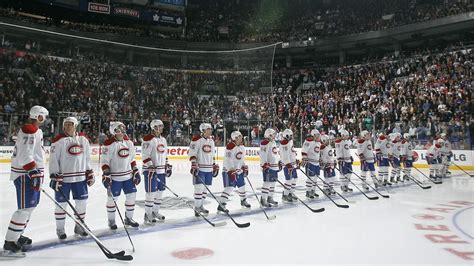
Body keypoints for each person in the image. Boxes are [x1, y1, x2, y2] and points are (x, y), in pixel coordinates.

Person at [3, 106, 48, 253]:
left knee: (30, 207)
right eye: (43, 116)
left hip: (32, 174)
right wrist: (33, 172)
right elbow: (24, 155)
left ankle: (17, 234)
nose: (45, 119)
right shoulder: (29, 130)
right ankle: (10, 241)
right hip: (26, 175)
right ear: (38, 116)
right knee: (24, 208)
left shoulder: (36, 130)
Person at [49, 117, 95, 240]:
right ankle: (60, 229)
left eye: (70, 124)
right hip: (63, 179)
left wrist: (89, 171)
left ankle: (79, 227)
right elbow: (53, 160)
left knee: (81, 204)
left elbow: (87, 158)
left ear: (75, 126)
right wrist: (54, 175)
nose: (68, 126)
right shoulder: (58, 140)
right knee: (61, 205)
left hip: (80, 178)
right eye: (66, 124)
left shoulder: (83, 140)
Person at [100, 122, 140, 229]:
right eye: (118, 130)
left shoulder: (129, 143)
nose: (121, 132)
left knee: (132, 196)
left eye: (123, 129)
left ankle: (129, 218)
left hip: (128, 176)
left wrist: (135, 170)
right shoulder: (108, 144)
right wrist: (106, 173)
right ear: (113, 131)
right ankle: (111, 221)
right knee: (112, 199)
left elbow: (132, 159)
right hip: (115, 177)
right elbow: (104, 162)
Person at [141, 119, 171, 224]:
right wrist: (150, 166)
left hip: (161, 170)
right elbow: (145, 155)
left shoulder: (163, 139)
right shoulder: (148, 139)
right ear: (153, 127)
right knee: (151, 192)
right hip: (150, 171)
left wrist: (167, 165)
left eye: (162, 126)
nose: (161, 128)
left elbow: (165, 154)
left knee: (160, 192)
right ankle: (148, 214)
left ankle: (155, 212)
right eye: (159, 126)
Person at [189, 123, 218, 217]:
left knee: (206, 188)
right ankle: (197, 207)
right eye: (209, 129)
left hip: (209, 168)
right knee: (199, 188)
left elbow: (212, 154)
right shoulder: (196, 140)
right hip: (200, 168)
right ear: (203, 130)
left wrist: (214, 164)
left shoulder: (211, 140)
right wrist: (193, 164)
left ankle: (201, 206)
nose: (210, 130)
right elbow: (192, 153)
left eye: (211, 129)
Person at [218, 131, 250, 213]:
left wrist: (243, 166)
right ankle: (222, 204)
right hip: (228, 171)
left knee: (242, 186)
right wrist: (231, 171)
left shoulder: (242, 147)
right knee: (229, 188)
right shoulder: (230, 146)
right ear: (235, 138)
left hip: (238, 171)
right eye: (239, 136)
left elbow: (241, 158)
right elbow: (228, 160)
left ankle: (243, 201)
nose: (241, 138)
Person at [259, 128, 280, 207]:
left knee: (273, 183)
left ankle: (270, 197)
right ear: (269, 135)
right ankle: (263, 199)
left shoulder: (273, 142)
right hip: (268, 166)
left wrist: (279, 161)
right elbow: (263, 155)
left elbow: (275, 154)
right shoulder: (265, 143)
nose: (274, 136)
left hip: (274, 166)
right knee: (267, 183)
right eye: (273, 134)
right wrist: (264, 165)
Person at [301, 129, 321, 199]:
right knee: (310, 178)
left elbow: (318, 152)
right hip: (310, 162)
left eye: (318, 135)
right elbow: (304, 150)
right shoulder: (308, 141)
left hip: (316, 163)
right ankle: (308, 191)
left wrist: (320, 159)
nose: (318, 136)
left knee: (315, 178)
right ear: (313, 135)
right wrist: (304, 158)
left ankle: (313, 190)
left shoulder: (318, 143)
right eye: (316, 135)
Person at [280, 129, 299, 202]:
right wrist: (288, 165)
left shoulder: (290, 141)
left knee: (295, 178)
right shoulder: (284, 143)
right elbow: (285, 156)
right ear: (287, 136)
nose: (292, 136)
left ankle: (291, 193)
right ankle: (285, 195)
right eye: (291, 135)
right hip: (288, 165)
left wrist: (295, 160)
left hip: (292, 164)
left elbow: (291, 152)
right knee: (289, 180)